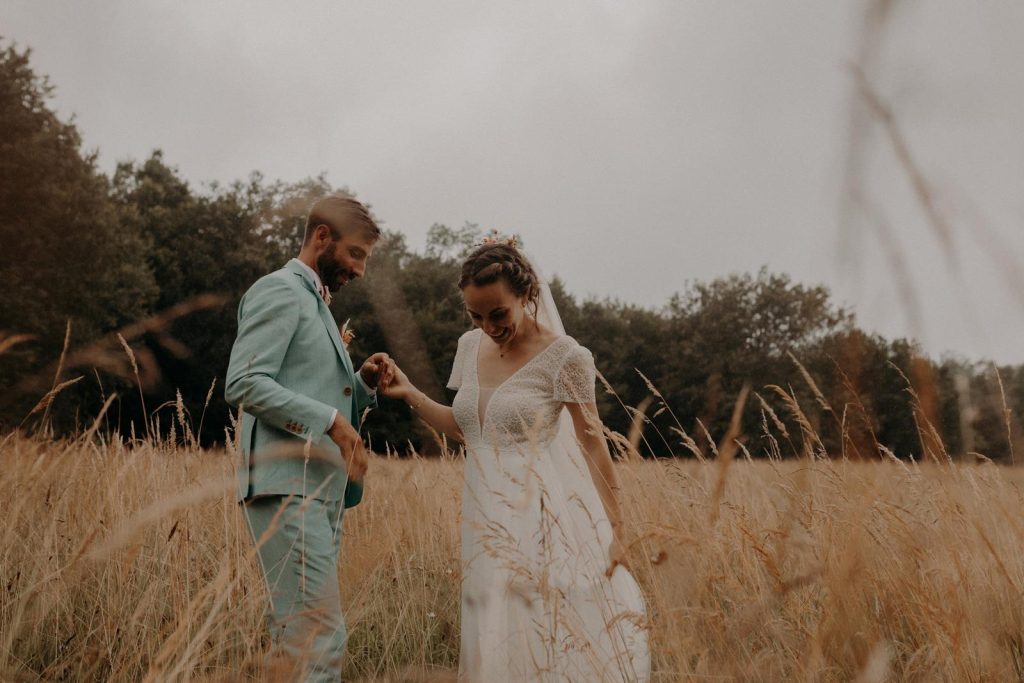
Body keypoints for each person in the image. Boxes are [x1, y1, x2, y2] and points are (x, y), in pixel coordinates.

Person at [382, 238, 650, 682]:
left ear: (528, 296)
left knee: (540, 620)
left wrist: (618, 529)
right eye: (476, 315)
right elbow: (469, 429)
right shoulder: (469, 347)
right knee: (491, 619)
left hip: (540, 512)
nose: (488, 326)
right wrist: (410, 392)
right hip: (482, 511)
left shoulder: (566, 356)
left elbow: (592, 443)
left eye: (498, 313)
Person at [225, 194, 394, 682]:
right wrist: (332, 422)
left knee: (297, 638)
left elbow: (310, 388)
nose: (360, 271)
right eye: (356, 254)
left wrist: (360, 384)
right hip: (286, 486)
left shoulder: (314, 301)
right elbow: (244, 382)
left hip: (321, 491)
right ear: (323, 237)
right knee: (320, 637)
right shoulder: (278, 290)